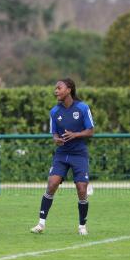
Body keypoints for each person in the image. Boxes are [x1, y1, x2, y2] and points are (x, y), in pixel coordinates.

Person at [31, 78, 94, 235]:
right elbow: (54, 134)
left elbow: (90, 131)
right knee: (52, 184)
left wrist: (76, 134)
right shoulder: (54, 112)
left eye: (59, 88)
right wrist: (56, 140)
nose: (56, 91)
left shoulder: (82, 108)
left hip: (79, 154)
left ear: (69, 89)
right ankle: (40, 224)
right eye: (55, 88)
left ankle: (82, 226)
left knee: (81, 189)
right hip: (62, 154)